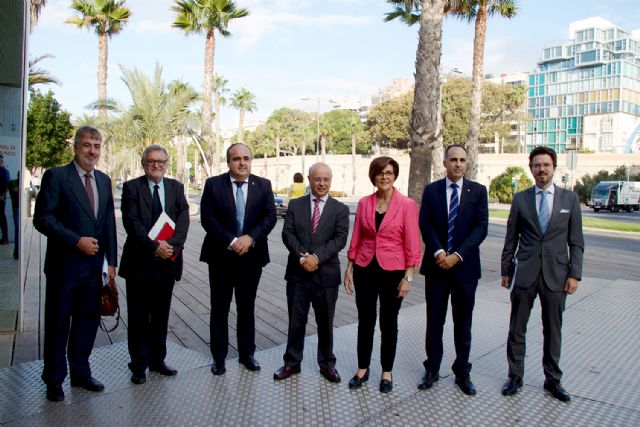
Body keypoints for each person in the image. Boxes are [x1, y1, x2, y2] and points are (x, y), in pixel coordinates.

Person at [33, 126, 117, 402]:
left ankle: (81, 373)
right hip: (64, 268)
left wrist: (112, 262)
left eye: (96, 145)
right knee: (58, 325)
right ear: (76, 147)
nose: (92, 151)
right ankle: (54, 379)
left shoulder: (104, 180)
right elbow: (43, 218)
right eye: (86, 145)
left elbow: (107, 225)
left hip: (94, 270)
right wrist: (75, 240)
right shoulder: (57, 177)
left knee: (86, 323)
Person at [500, 146, 584, 402]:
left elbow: (576, 241)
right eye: (537, 165)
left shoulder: (569, 199)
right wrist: (506, 270)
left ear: (554, 168)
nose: (541, 169)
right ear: (531, 168)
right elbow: (511, 237)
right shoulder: (520, 199)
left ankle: (553, 380)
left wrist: (575, 274)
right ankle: (515, 376)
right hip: (525, 273)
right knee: (517, 328)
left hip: (557, 275)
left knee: (553, 330)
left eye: (546, 165)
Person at [344, 157, 422, 393]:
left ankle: (386, 372)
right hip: (365, 269)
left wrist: (408, 277)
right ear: (373, 176)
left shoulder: (407, 205)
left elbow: (413, 243)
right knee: (365, 321)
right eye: (380, 173)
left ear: (394, 175)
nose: (384, 177)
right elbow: (357, 235)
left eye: (389, 172)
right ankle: (362, 369)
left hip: (394, 271)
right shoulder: (365, 203)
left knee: (389, 322)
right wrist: (349, 266)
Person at [200, 143, 277, 375]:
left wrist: (250, 238)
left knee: (247, 307)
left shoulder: (263, 185)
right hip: (221, 256)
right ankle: (219, 358)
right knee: (219, 308)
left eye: (246, 158)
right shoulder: (213, 185)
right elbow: (207, 218)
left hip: (252, 257)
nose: (242, 163)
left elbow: (270, 216)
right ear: (228, 162)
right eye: (236, 159)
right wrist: (232, 240)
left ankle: (247, 354)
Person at [417, 144, 488, 396]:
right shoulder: (432, 190)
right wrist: (438, 252)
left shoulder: (478, 191)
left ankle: (462, 372)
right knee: (434, 322)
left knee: (463, 323)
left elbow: (481, 228)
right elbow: (425, 223)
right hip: (437, 268)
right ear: (444, 163)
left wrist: (456, 256)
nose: (458, 164)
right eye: (453, 160)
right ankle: (432, 369)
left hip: (465, 269)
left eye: (462, 160)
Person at [119, 145, 190, 385]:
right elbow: (131, 222)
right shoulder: (131, 188)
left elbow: (183, 219)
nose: (157, 165)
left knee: (161, 316)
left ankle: (158, 360)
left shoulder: (176, 187)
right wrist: (154, 246)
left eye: (161, 161)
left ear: (166, 163)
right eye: (151, 161)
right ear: (143, 163)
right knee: (139, 318)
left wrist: (172, 245)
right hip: (140, 263)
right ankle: (138, 364)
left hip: (167, 263)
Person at [274, 163, 350, 383]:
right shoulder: (295, 205)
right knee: (295, 321)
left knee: (325, 322)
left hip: (326, 276)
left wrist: (316, 258)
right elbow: (287, 234)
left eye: (326, 179)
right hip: (298, 274)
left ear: (331, 180)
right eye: (317, 179)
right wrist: (302, 257)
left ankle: (327, 364)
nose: (322, 183)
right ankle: (291, 363)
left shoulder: (340, 209)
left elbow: (339, 239)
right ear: (309, 179)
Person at [8, 171, 20, 259]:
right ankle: (17, 251)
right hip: (17, 208)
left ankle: (17, 251)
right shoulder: (13, 183)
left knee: (18, 229)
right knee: (17, 229)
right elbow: (16, 194)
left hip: (18, 208)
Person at [0, 154, 10, 244]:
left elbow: (7, 185)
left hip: (0, 199)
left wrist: (2, 195)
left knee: (2, 218)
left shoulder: (4, 171)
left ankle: (5, 238)